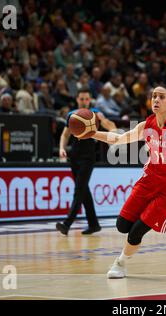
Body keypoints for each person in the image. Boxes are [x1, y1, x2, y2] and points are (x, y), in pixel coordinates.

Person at [90, 84, 166, 279]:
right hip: (149, 179)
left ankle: (120, 263)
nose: (156, 100)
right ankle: (131, 242)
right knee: (122, 225)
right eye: (154, 96)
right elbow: (120, 139)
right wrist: (92, 134)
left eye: (161, 97)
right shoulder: (147, 125)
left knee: (136, 231)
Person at [56, 88, 116, 236]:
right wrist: (61, 149)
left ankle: (67, 224)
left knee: (79, 190)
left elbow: (111, 126)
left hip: (88, 158)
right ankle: (94, 224)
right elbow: (65, 135)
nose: (84, 101)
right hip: (74, 156)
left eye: (86, 99)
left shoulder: (95, 114)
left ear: (90, 100)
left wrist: (106, 123)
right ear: (77, 100)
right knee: (84, 191)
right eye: (81, 99)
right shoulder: (72, 115)